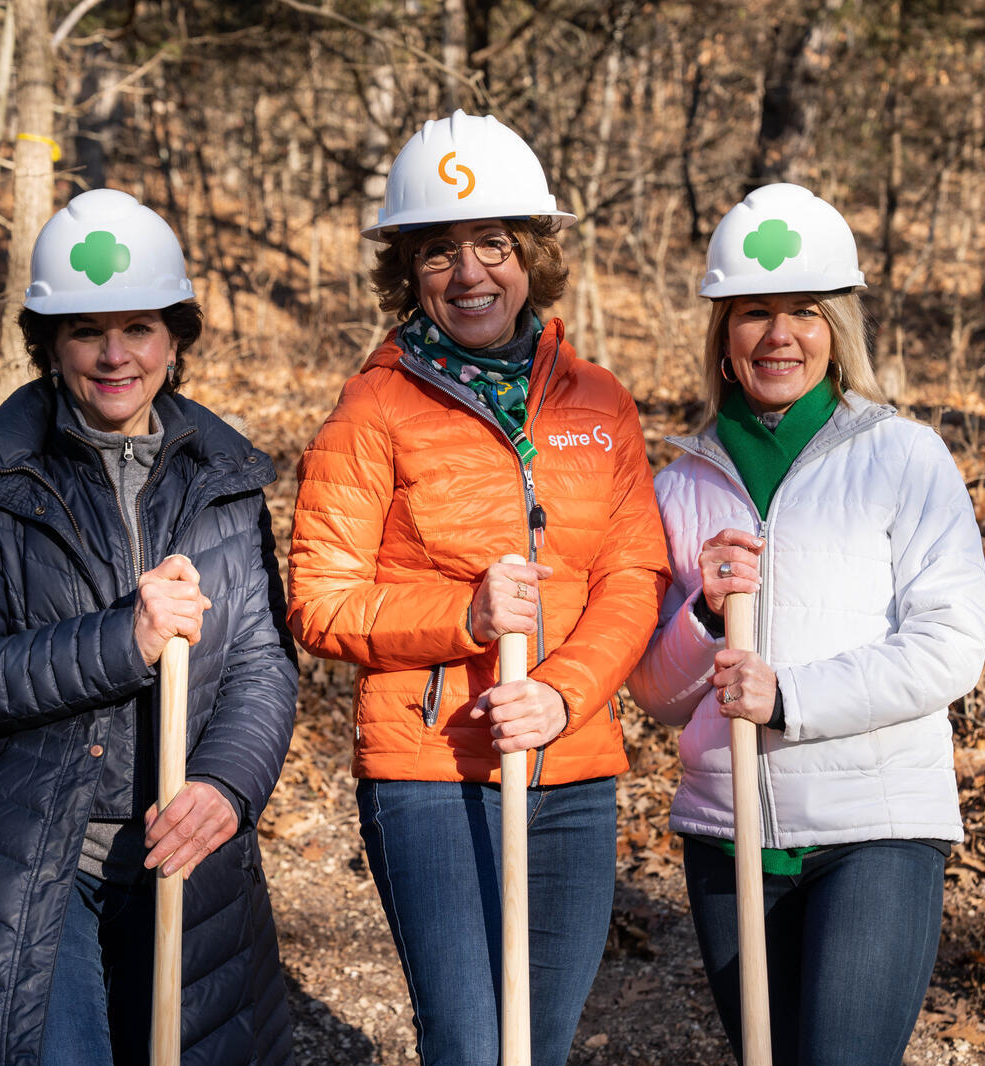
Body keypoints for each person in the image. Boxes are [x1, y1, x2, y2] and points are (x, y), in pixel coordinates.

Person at [287, 110, 669, 1066]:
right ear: (407, 273)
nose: (469, 275)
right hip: (429, 772)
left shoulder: (599, 402)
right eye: (438, 253)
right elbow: (320, 599)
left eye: (492, 245)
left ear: (530, 255)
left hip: (572, 765)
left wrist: (561, 693)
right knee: (467, 1045)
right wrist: (461, 617)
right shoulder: (373, 406)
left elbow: (633, 575)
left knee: (537, 1044)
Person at [0, 188, 298, 1065]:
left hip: (190, 860)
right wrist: (125, 641)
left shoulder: (225, 477)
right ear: (48, 345)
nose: (115, 355)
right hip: (35, 861)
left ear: (175, 338)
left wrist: (226, 788)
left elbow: (264, 663)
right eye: (86, 331)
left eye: (140, 328)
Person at [627, 183, 985, 1066]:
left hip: (875, 831)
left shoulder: (902, 456)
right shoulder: (677, 486)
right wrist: (705, 616)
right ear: (723, 333)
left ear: (836, 329)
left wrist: (788, 695)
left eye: (803, 311)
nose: (778, 335)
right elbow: (655, 692)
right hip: (729, 832)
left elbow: (949, 645)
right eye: (754, 313)